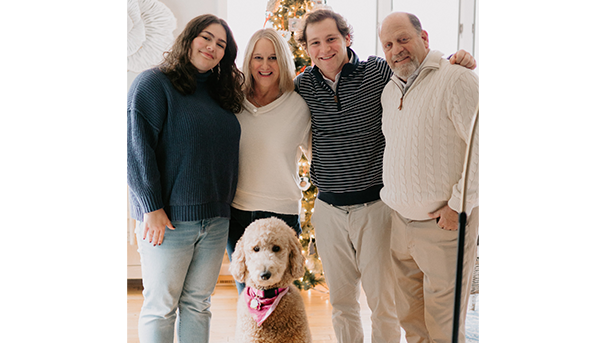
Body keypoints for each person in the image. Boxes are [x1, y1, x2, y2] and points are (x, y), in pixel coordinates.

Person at [293, 7, 476, 343]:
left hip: (375, 208)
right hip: (329, 210)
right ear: (306, 48)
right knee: (342, 302)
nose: (325, 48)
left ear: (347, 39)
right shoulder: (302, 86)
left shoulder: (377, 72)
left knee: (386, 304)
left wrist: (455, 59)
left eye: (331, 38)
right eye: (315, 42)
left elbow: (421, 70)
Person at [127, 14, 245, 343]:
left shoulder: (222, 95)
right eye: (206, 38)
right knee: (161, 307)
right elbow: (136, 149)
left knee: (197, 304)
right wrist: (151, 208)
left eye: (221, 44)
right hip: (168, 221)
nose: (212, 47)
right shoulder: (154, 83)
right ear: (189, 38)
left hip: (216, 219)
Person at [378, 12, 479, 343]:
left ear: (424, 38)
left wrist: (456, 206)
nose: (396, 50)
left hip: (444, 226)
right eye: (389, 44)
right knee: (412, 322)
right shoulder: (390, 91)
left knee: (444, 327)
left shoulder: (456, 79)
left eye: (403, 39)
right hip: (401, 226)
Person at [226, 28, 312, 294]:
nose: (264, 65)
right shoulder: (232, 101)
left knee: (278, 300)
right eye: (258, 57)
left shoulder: (299, 106)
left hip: (281, 213)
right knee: (249, 300)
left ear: (283, 62)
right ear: (248, 61)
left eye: (273, 58)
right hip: (238, 213)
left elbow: (320, 157)